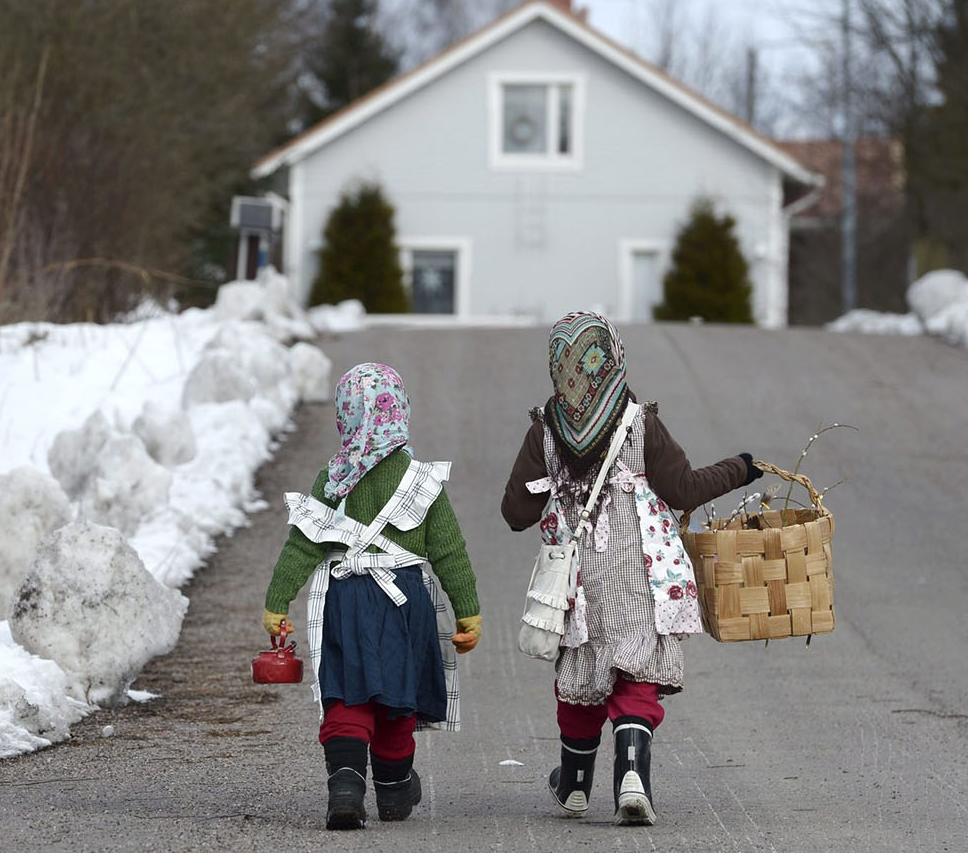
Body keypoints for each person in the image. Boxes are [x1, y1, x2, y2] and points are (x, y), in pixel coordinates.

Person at [501, 311, 761, 825]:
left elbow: (515, 513)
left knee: (581, 670)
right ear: (612, 358)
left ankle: (575, 783)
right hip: (641, 570)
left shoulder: (545, 433)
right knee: (635, 670)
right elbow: (685, 488)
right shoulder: (640, 423)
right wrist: (741, 467)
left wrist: (552, 488)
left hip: (579, 582)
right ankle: (632, 777)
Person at [263, 362, 481, 830]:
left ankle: (345, 784)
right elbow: (449, 551)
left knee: (346, 688)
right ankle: (393, 787)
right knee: (397, 694)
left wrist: (277, 602)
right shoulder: (419, 480)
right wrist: (469, 613)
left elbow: (302, 544)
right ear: (399, 412)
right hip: (405, 603)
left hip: (346, 599)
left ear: (344, 419)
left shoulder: (332, 479)